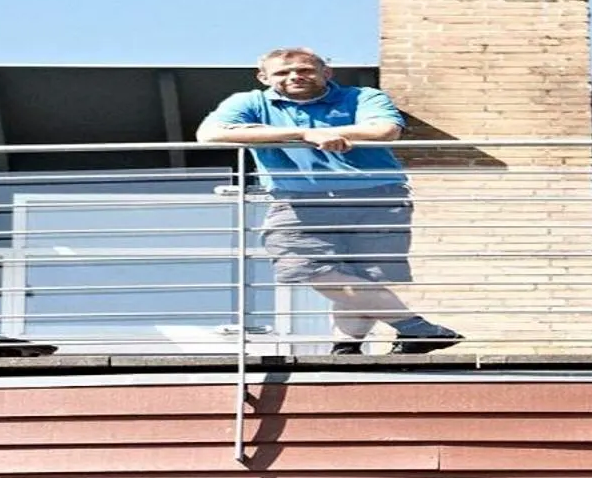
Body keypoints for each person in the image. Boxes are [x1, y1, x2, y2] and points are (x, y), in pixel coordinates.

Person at [197, 48, 463, 354]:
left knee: (362, 278)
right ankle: (415, 328)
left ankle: (346, 348)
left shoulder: (362, 96)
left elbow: (384, 130)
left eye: (305, 70)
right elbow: (210, 134)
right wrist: (304, 134)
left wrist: (322, 133)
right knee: (304, 265)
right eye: (283, 73)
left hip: (377, 195)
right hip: (297, 200)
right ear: (264, 77)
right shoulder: (250, 102)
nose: (295, 76)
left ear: (326, 73)